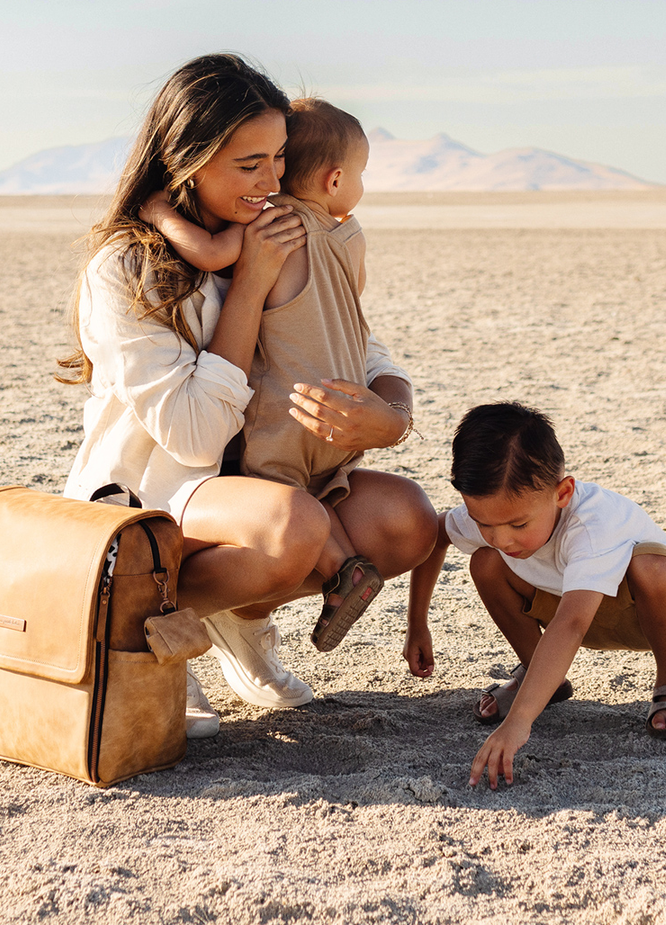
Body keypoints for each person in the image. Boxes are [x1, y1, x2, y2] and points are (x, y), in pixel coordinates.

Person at [59, 54, 437, 738]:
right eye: (248, 165)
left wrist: (390, 416)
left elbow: (360, 341)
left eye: (280, 158)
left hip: (258, 480)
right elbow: (196, 437)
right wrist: (253, 288)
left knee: (407, 518)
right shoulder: (128, 269)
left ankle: (239, 615)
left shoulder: (272, 230)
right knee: (296, 526)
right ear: (187, 158)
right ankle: (140, 636)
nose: (273, 182)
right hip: (158, 499)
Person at [139, 97, 392, 651]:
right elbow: (352, 302)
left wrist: (158, 213)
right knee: (315, 489)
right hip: (337, 410)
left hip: (285, 406)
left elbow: (206, 252)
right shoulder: (351, 237)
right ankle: (310, 582)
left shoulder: (270, 224)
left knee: (279, 486)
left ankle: (343, 565)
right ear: (334, 180)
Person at [403, 402, 666, 789]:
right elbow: (435, 535)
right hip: (564, 605)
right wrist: (417, 623)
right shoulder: (496, 521)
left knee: (653, 566)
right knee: (486, 561)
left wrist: (517, 724)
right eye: (484, 523)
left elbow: (573, 623)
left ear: (563, 492)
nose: (502, 538)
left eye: (518, 524)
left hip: (643, 612)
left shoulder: (594, 524)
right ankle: (541, 676)